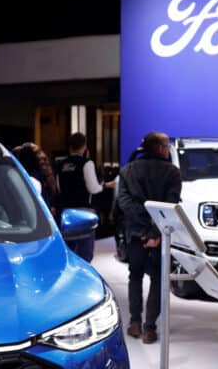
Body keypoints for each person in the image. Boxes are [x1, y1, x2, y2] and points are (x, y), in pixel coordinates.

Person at [116, 131, 182, 344]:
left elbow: (124, 204)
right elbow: (170, 207)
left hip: (135, 234)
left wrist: (142, 229)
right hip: (160, 235)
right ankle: (150, 328)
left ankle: (134, 322)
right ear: (163, 149)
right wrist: (154, 231)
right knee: (157, 279)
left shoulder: (127, 171)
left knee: (134, 276)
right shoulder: (172, 172)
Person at [56, 132, 103, 262]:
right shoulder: (86, 163)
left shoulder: (61, 164)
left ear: (69, 147)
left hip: (66, 214)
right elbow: (93, 188)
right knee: (84, 254)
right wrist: (103, 186)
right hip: (84, 213)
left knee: (69, 253)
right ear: (84, 147)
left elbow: (59, 188)